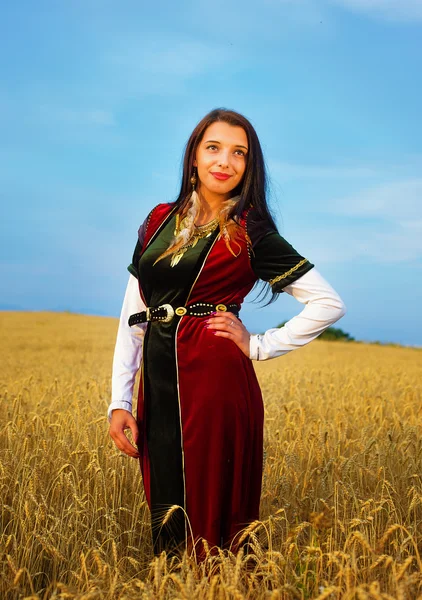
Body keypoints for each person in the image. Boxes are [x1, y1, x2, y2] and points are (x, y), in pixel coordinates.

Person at [107, 108, 346, 559]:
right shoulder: (158, 220)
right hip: (158, 381)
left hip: (216, 380)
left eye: (240, 153)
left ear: (248, 167)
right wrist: (120, 399)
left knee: (212, 505)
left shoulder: (251, 229)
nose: (225, 161)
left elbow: (328, 302)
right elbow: (134, 312)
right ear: (194, 157)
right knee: (167, 498)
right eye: (213, 147)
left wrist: (259, 344)